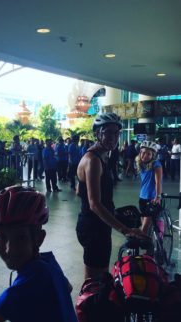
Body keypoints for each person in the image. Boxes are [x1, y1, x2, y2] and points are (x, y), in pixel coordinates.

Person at [0, 186, 78, 322]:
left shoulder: (30, 283)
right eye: (1, 236)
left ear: (39, 239)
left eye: (20, 238)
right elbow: (68, 287)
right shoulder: (47, 261)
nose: (9, 249)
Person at [76, 113, 147, 279]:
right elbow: (94, 203)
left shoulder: (101, 156)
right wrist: (125, 230)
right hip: (93, 227)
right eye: (108, 132)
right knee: (95, 279)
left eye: (117, 133)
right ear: (97, 134)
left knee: (99, 276)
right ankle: (88, 305)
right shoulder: (93, 160)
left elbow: (80, 191)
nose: (114, 137)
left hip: (97, 224)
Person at [136, 141, 163, 234]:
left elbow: (158, 182)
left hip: (152, 199)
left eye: (148, 154)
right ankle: (149, 244)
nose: (145, 155)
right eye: (143, 152)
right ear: (140, 153)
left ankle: (147, 248)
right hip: (142, 198)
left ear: (153, 155)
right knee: (144, 227)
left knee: (144, 229)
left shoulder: (156, 165)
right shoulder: (140, 164)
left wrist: (158, 196)